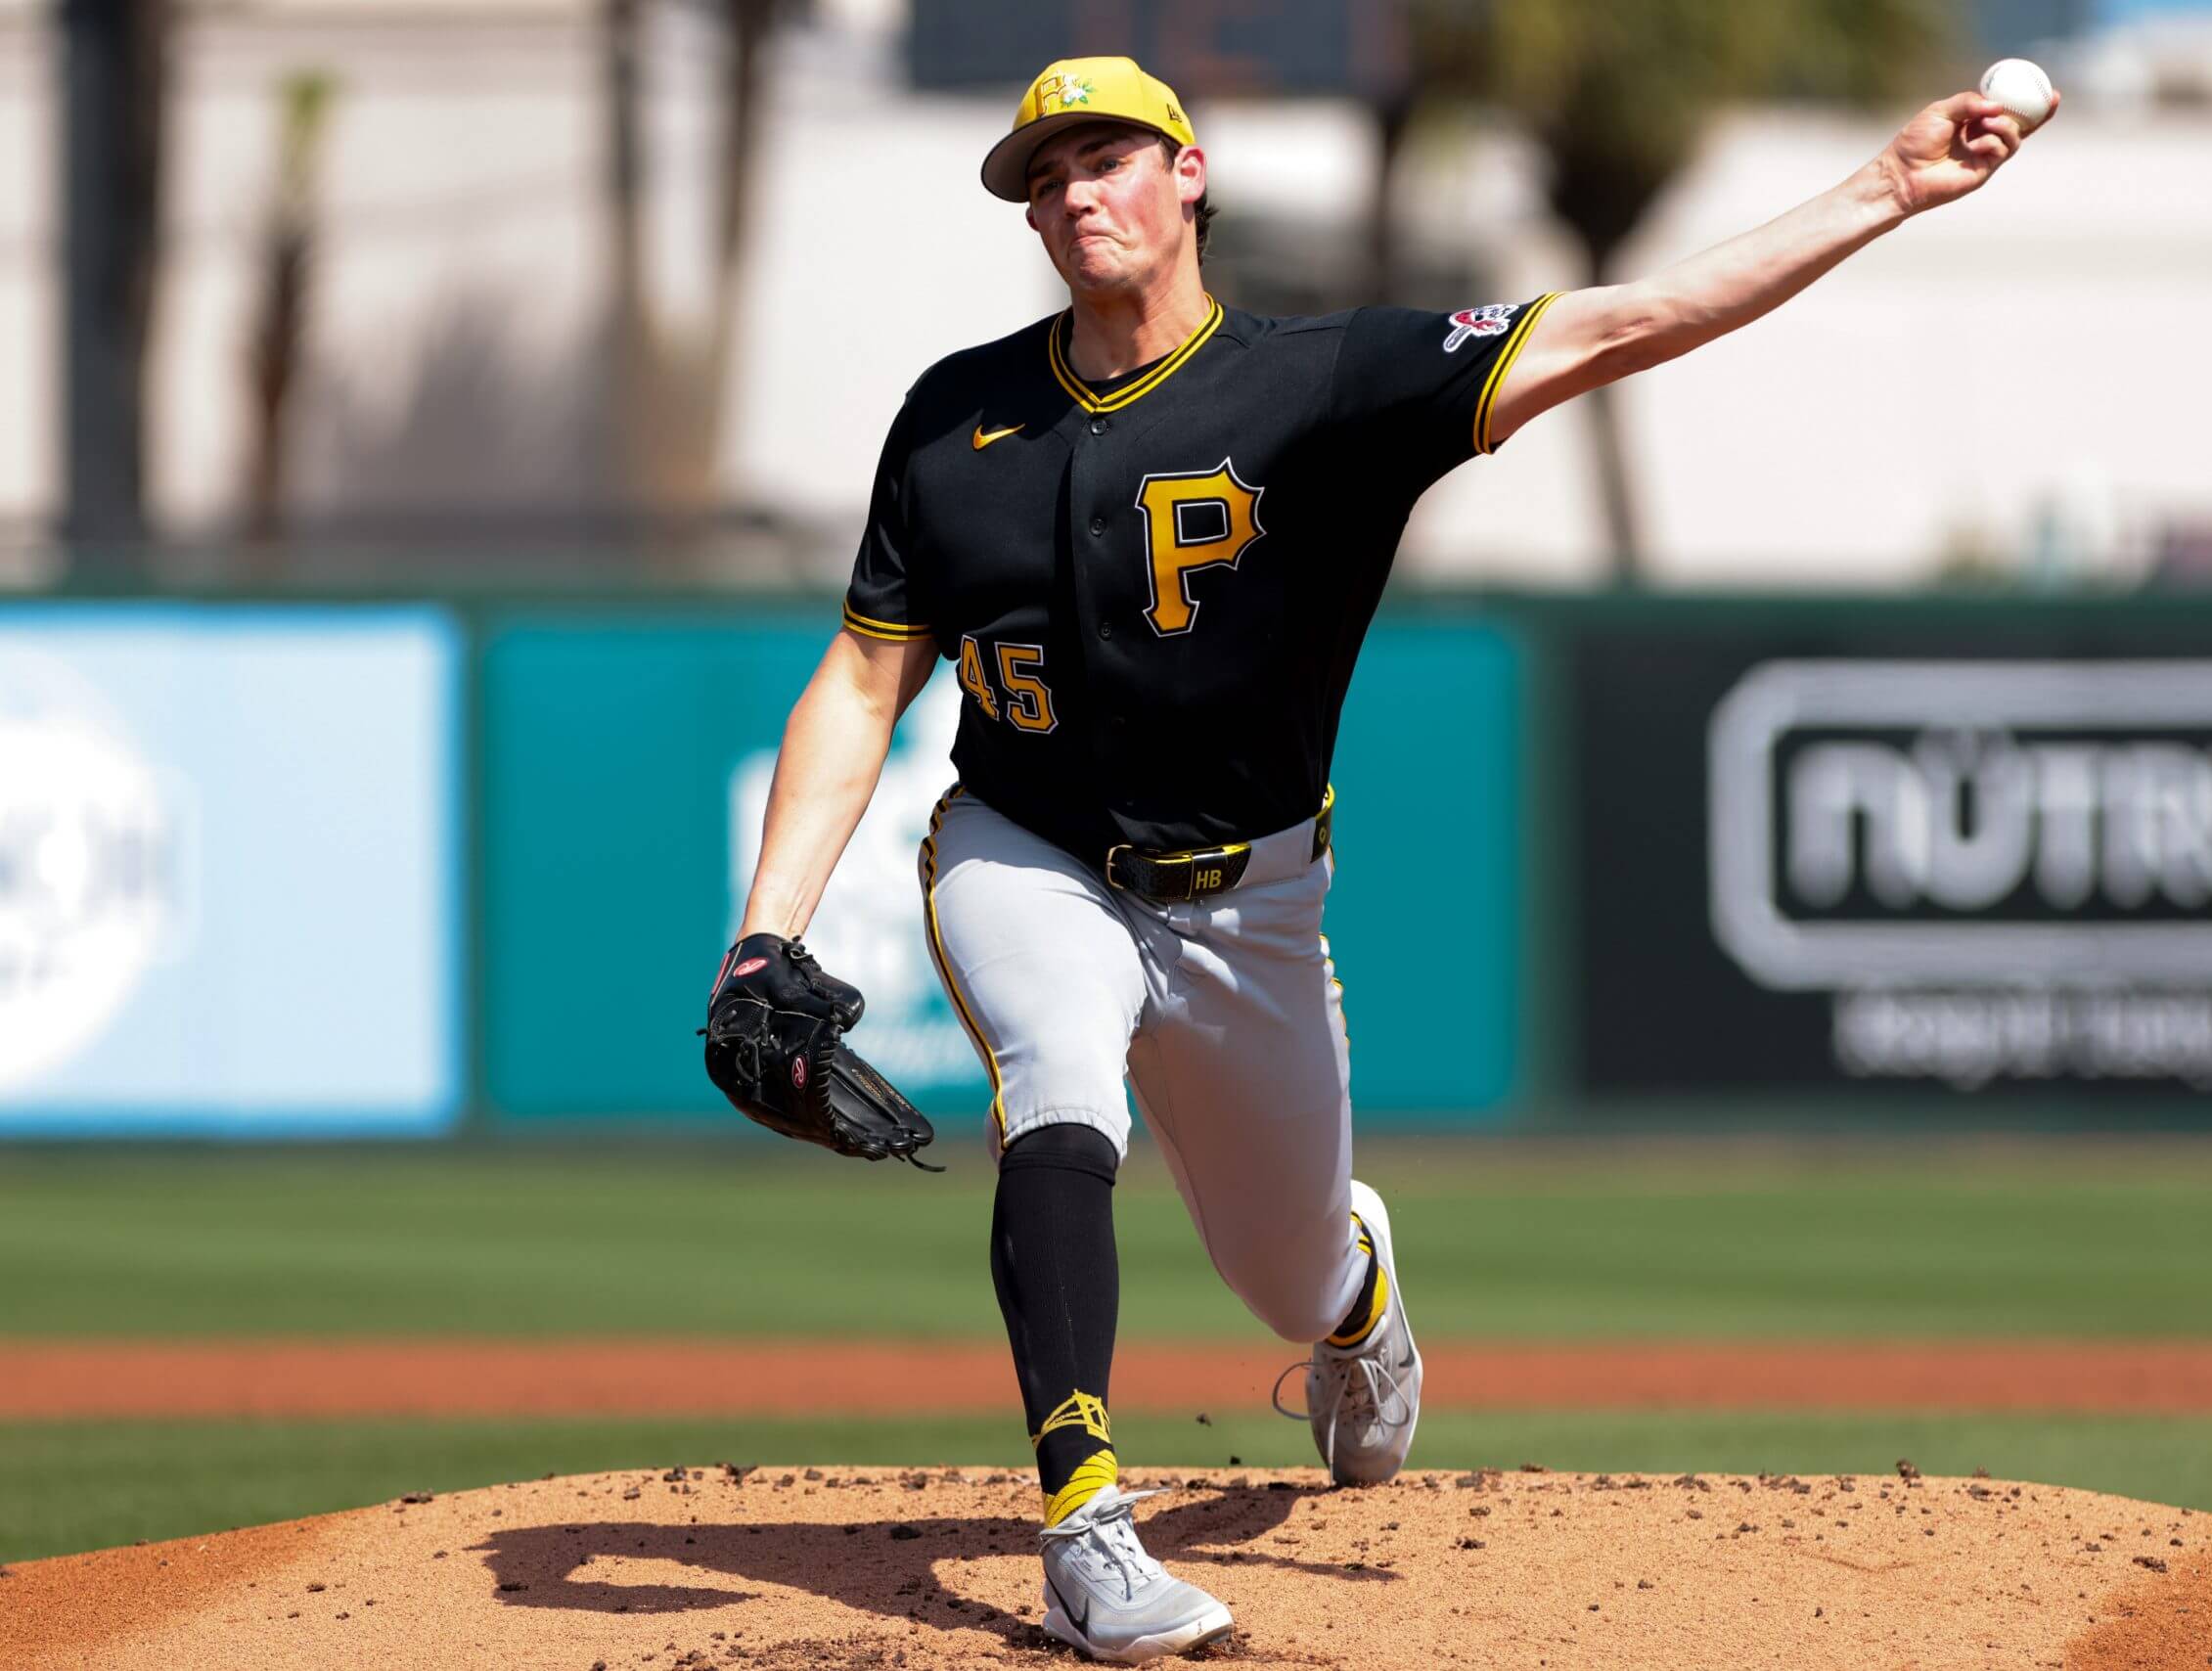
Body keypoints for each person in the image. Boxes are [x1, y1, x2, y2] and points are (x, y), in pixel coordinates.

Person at [716, 53, 2054, 1663]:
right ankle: (1086, 1525)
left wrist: (1887, 187)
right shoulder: (954, 419)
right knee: (1056, 1091)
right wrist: (760, 938)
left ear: (1190, 172)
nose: (1078, 192)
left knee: (1286, 1275)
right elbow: (866, 681)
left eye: (1111, 156)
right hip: (1026, 846)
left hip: (1252, 900)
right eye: (1045, 172)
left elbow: (1632, 319)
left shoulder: (1328, 379)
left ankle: (1356, 1299)